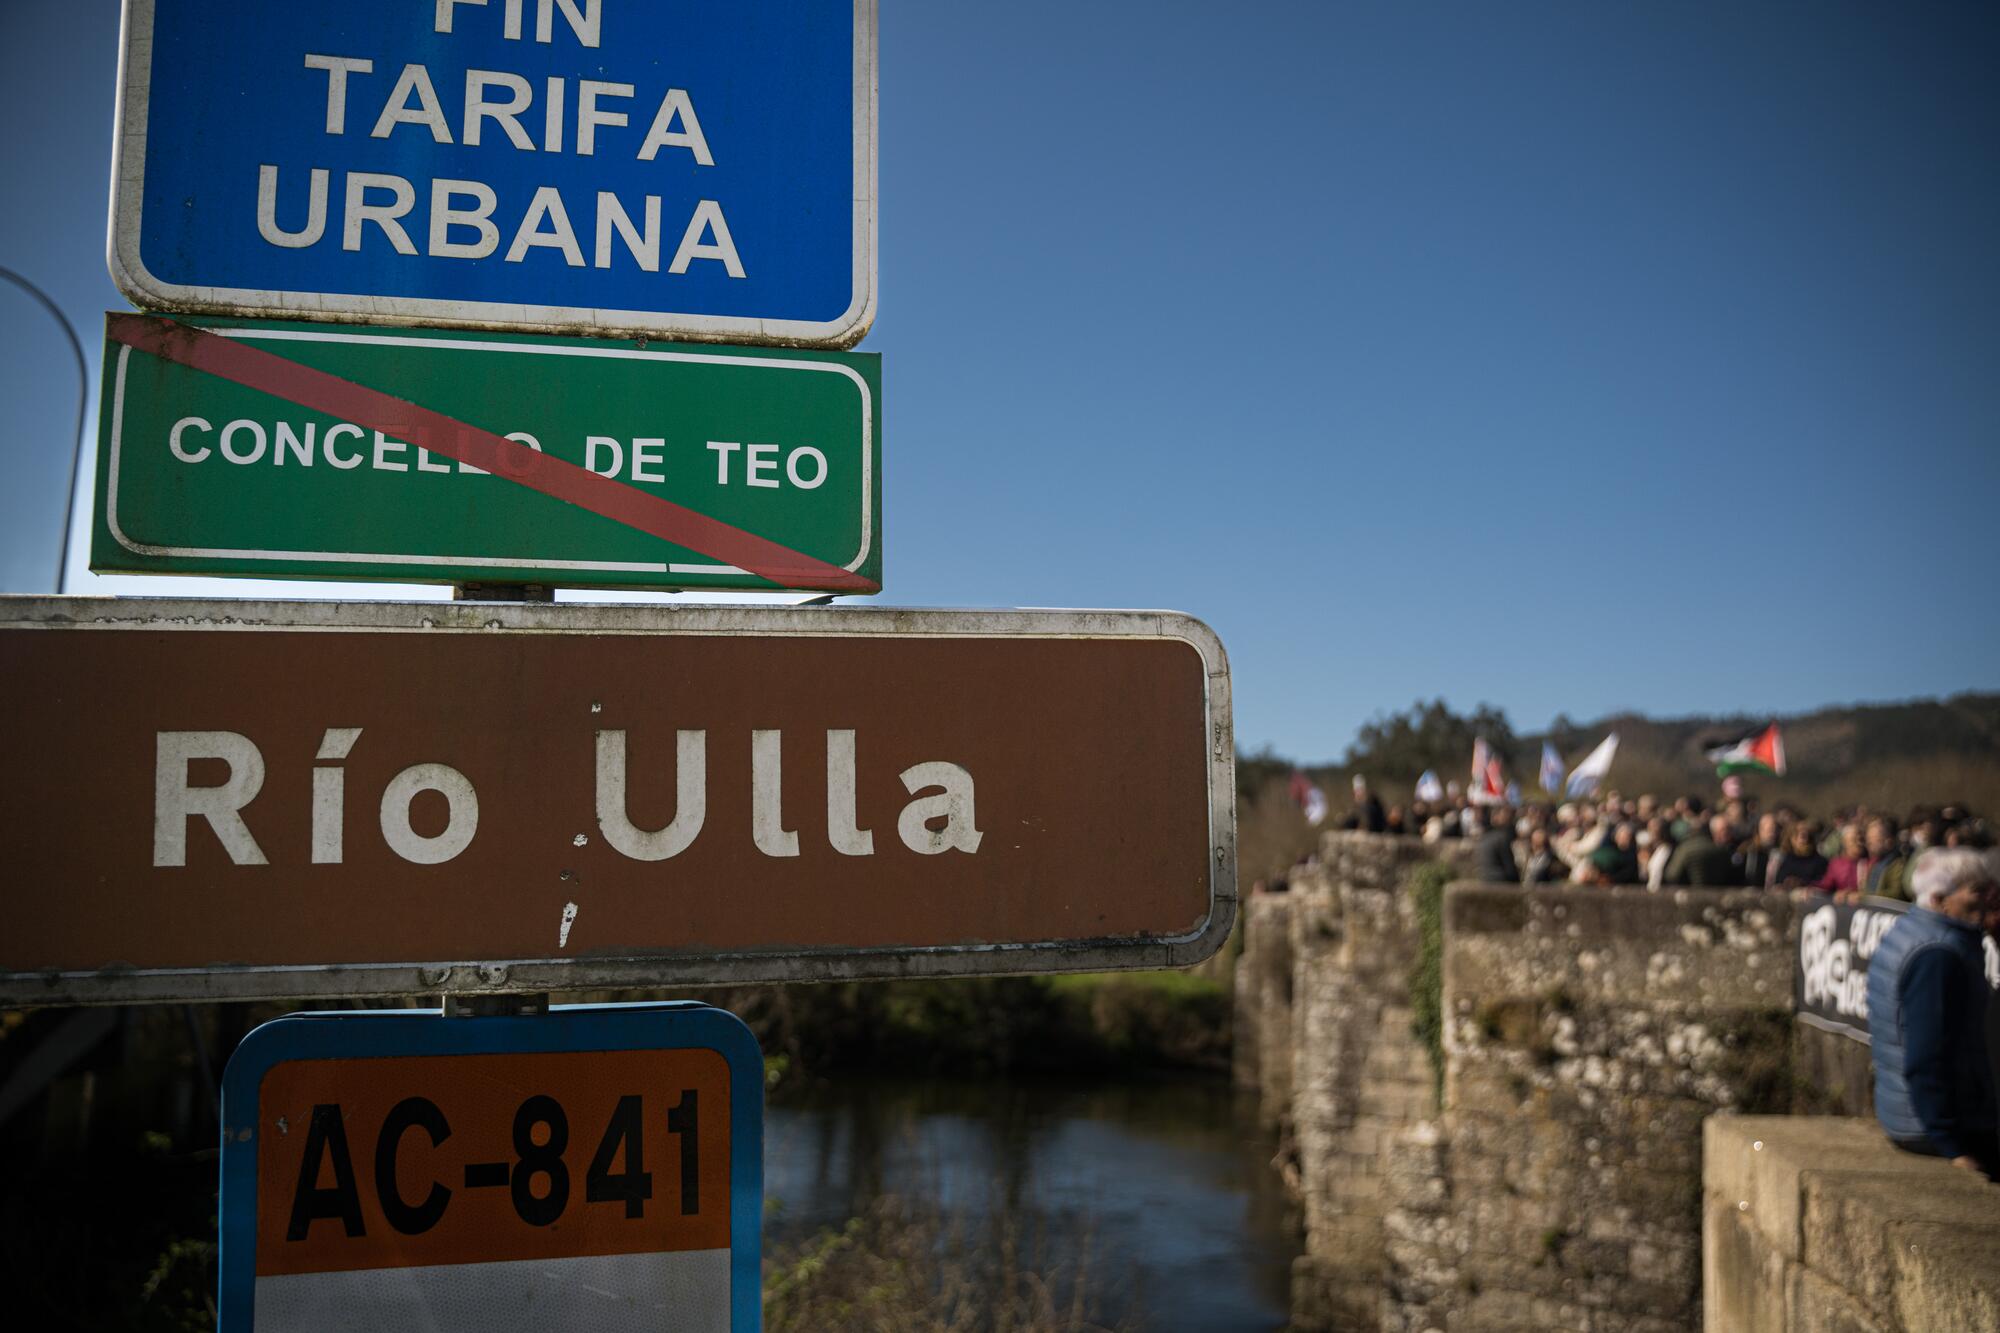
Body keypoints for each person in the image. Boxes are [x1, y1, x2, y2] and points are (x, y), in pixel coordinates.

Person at [1866, 848, 2000, 1180]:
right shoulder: (1938, 955)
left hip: (1905, 1115)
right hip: (1929, 1126)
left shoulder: (1913, 930)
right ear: (1940, 899)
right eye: (1977, 891)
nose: (1988, 899)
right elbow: (1926, 1057)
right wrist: (1952, 1145)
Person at [1665, 814, 1740, 887]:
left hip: (1691, 894)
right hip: (1716, 893)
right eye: (1723, 830)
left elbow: (1672, 875)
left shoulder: (1684, 848)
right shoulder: (1718, 849)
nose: (1726, 833)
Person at [1771, 821, 1829, 889]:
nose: (1802, 837)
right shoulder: (1784, 859)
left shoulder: (1820, 862)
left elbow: (1824, 884)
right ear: (1790, 839)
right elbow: (1778, 882)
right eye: (1797, 833)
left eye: (1805, 834)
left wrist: (1802, 883)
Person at [1473, 804, 1519, 883]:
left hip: (1483, 879)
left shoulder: (1485, 836)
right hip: (1499, 881)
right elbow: (1510, 868)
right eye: (1506, 814)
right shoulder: (1502, 837)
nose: (1510, 817)